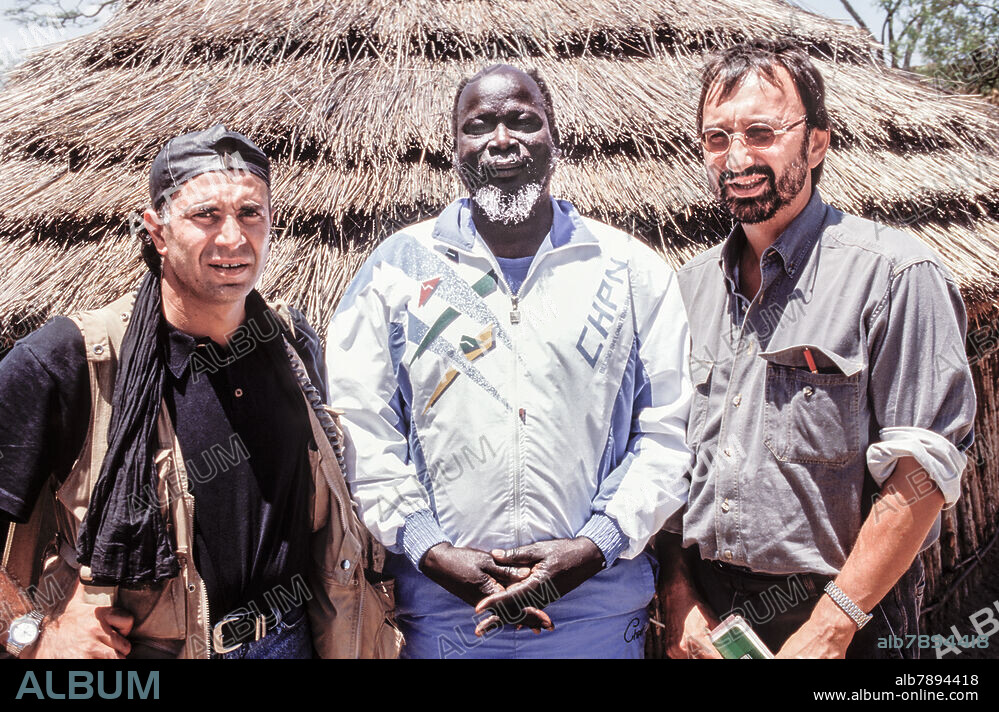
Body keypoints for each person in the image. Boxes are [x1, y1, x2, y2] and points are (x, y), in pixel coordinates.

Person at [326, 64, 693, 658]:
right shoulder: (397, 270)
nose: (502, 138)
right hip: (446, 617)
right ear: (455, 147)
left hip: (595, 612)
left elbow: (668, 432)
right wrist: (428, 548)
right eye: (480, 125)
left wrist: (597, 544)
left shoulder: (631, 270)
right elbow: (361, 428)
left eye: (524, 120)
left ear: (555, 139)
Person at [0, 125, 396, 659]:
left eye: (251, 214)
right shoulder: (73, 359)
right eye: (205, 215)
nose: (233, 238)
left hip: (290, 639)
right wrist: (28, 629)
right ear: (158, 232)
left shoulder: (291, 346)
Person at [657, 39, 977, 659]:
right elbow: (665, 459)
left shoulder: (893, 276)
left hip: (851, 615)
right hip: (711, 616)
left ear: (817, 143)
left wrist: (832, 627)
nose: (737, 157)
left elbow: (924, 473)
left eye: (761, 132)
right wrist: (678, 594)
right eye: (717, 139)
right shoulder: (687, 289)